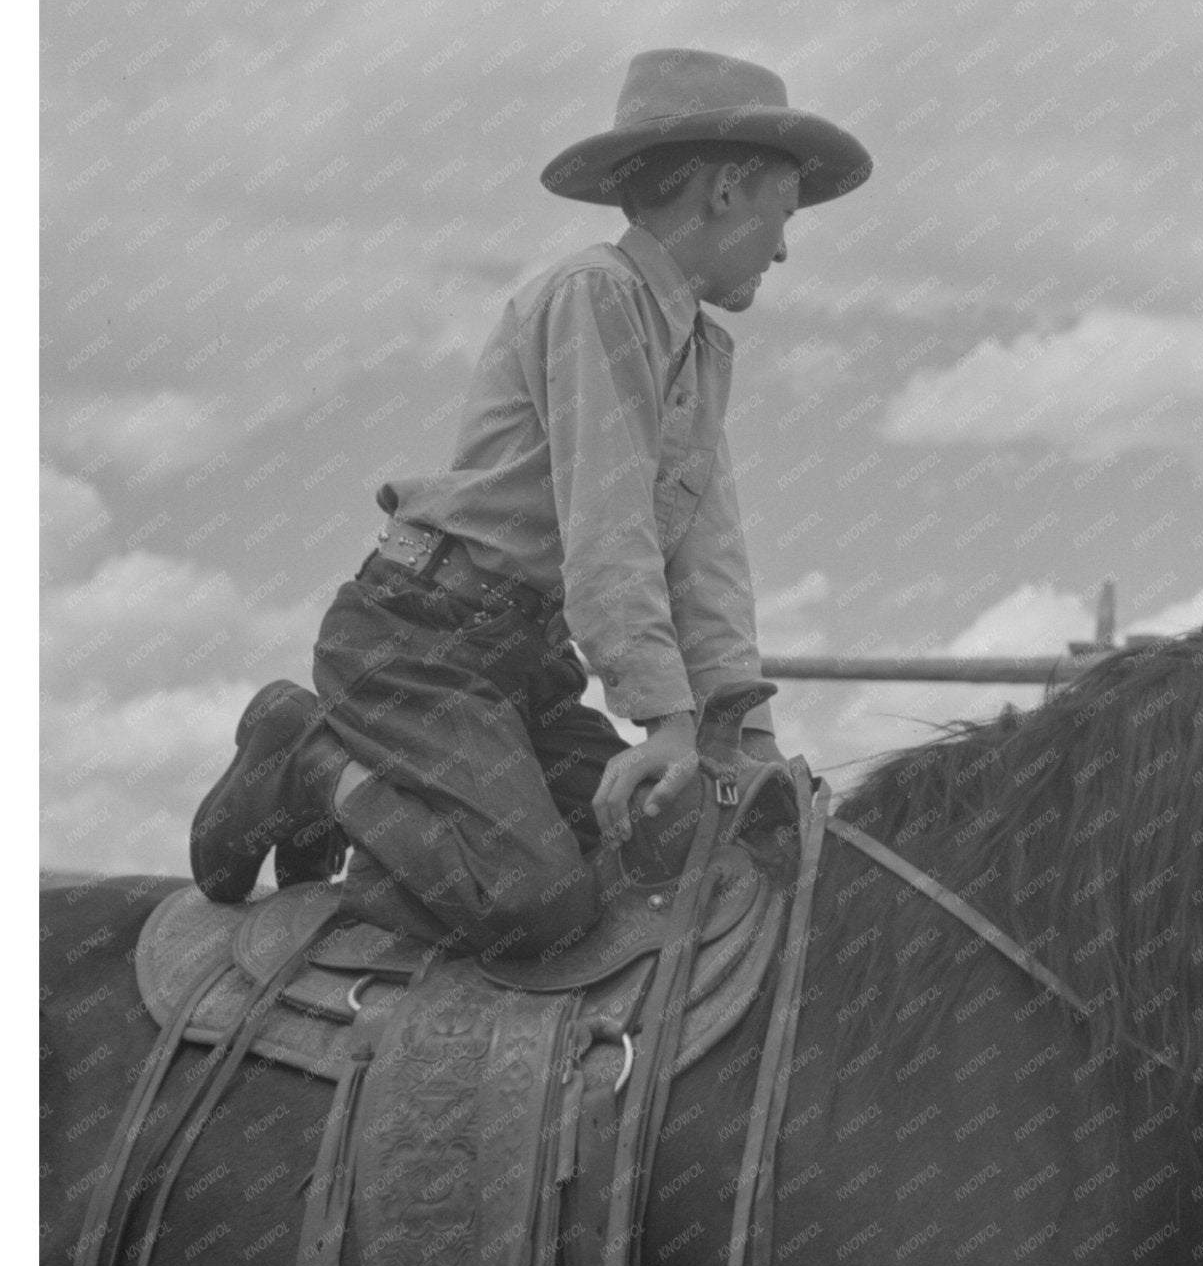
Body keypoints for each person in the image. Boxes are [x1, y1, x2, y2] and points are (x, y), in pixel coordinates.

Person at [189, 49, 871, 959]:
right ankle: (313, 764)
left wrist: (742, 741)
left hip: (522, 668)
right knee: (536, 905)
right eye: (780, 216)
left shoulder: (698, 352)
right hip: (421, 644)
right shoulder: (596, 296)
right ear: (722, 192)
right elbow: (608, 529)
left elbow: (707, 559)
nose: (784, 247)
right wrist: (667, 724)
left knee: (657, 860)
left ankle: (408, 848)